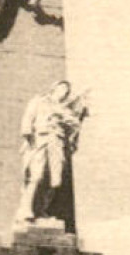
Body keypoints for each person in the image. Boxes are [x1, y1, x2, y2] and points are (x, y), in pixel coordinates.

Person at [17, 81, 86, 225]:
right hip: (40, 140)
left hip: (57, 144)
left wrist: (76, 117)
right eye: (61, 88)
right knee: (37, 176)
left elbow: (74, 126)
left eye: (66, 91)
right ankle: (25, 210)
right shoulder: (40, 101)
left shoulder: (65, 109)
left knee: (54, 181)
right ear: (53, 88)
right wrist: (27, 135)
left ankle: (41, 210)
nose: (63, 92)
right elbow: (28, 118)